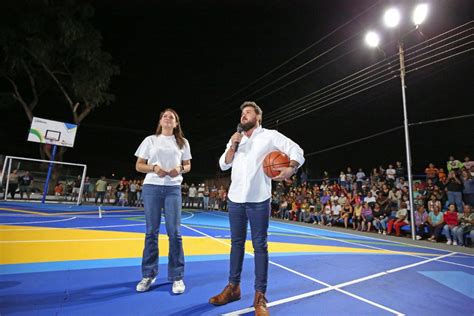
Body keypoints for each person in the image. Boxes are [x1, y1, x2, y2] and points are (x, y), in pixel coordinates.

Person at [209, 101, 304, 315]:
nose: (244, 115)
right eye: (242, 113)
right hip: (235, 199)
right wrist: (233, 145)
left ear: (258, 117)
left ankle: (260, 296)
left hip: (259, 200)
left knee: (260, 247)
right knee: (236, 244)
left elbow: (296, 149)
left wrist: (291, 168)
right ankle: (233, 287)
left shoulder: (270, 136)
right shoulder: (236, 138)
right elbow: (224, 164)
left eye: (248, 112)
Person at [134, 108, 191, 294]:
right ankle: (148, 274)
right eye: (164, 116)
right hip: (151, 187)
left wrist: (179, 169)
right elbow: (139, 165)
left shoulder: (182, 142)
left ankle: (177, 277)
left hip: (173, 189)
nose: (168, 119)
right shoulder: (150, 140)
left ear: (176, 123)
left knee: (175, 233)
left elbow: (188, 165)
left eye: (171, 117)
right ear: (160, 121)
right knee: (151, 232)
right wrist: (154, 168)